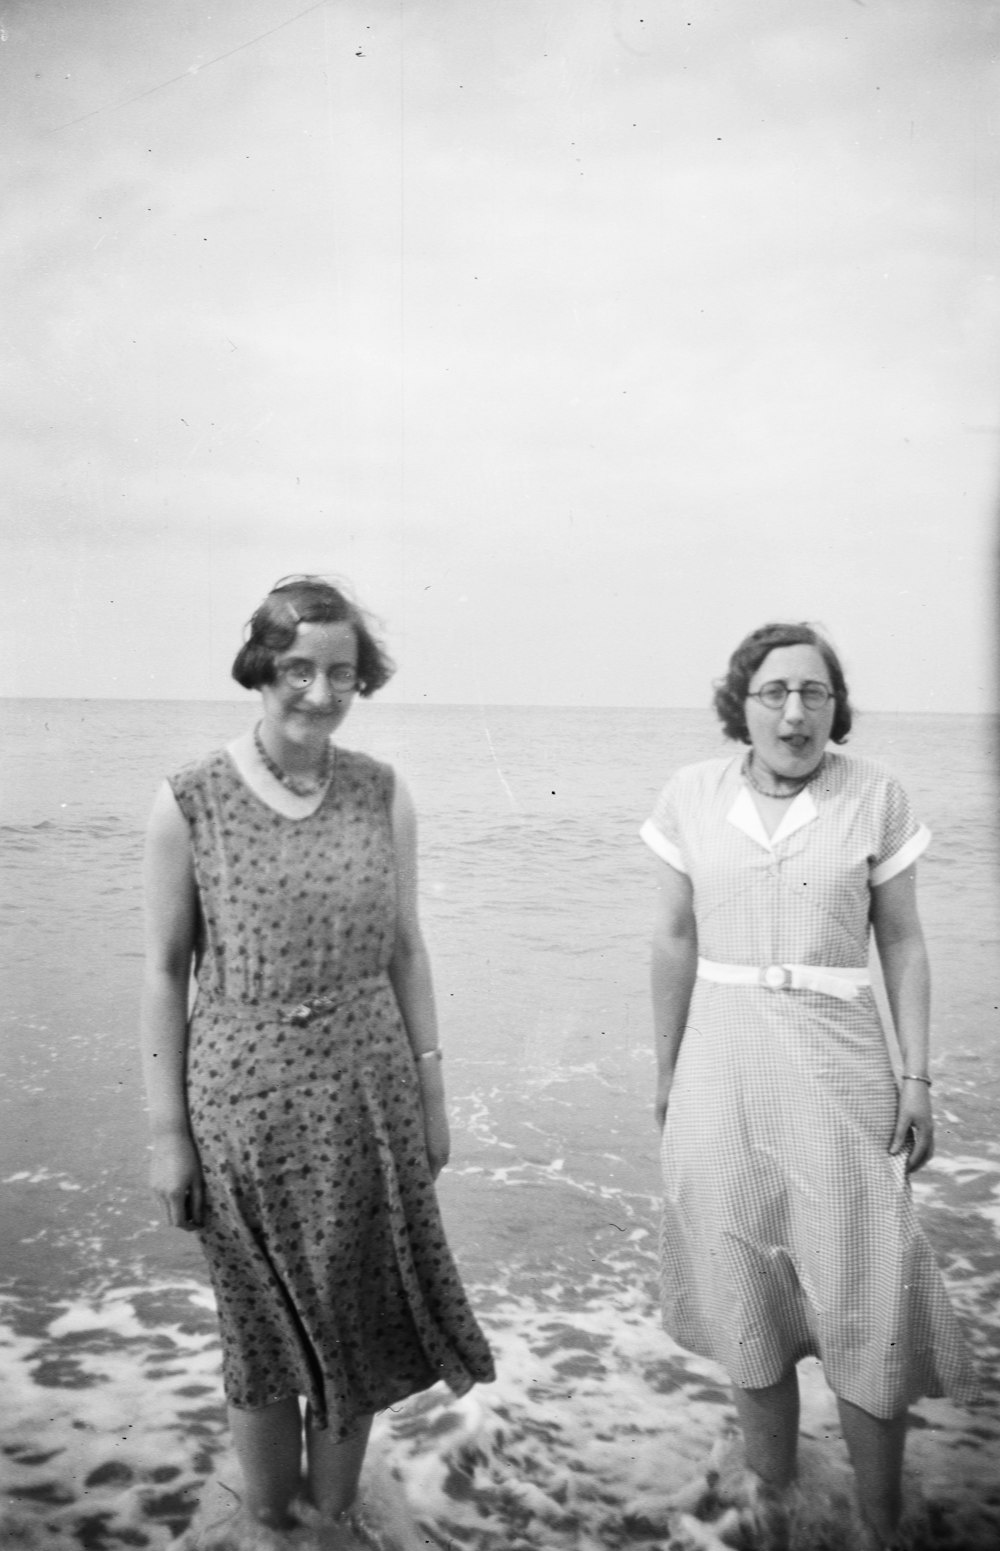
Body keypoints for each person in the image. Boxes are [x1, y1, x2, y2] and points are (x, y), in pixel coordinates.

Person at [140, 575, 495, 1536]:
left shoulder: (382, 792)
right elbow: (167, 969)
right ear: (261, 666)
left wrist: (432, 1093)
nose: (319, 690)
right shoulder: (190, 800)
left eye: (341, 671)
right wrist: (169, 1131)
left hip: (366, 1095)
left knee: (352, 1312)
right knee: (258, 1327)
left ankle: (333, 1519)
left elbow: (408, 948)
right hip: (239, 1106)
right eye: (297, 667)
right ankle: (268, 1521)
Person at [640, 622, 980, 1550]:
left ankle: (880, 1524)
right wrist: (668, 1076)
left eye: (815, 693)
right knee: (744, 1285)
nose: (795, 712)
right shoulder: (690, 794)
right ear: (739, 702)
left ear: (837, 704)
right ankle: (773, 1502)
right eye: (774, 692)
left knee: (863, 1292)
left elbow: (902, 941)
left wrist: (916, 1077)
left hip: (841, 1065)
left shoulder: (875, 794)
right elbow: (673, 941)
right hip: (722, 1065)